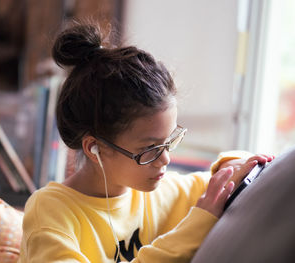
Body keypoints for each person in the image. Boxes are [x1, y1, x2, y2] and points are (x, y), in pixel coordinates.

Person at [18, 23, 274, 263]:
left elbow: (221, 178)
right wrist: (193, 228)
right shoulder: (50, 212)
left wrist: (233, 165)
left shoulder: (159, 190)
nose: (166, 160)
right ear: (94, 148)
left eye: (169, 142)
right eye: (149, 149)